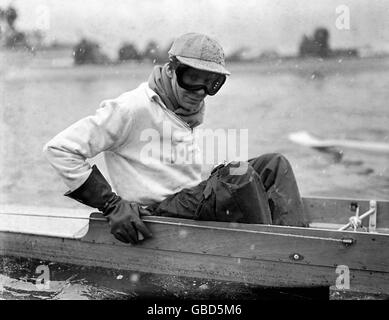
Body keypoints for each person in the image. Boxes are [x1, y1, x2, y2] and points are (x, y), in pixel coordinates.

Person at [43, 33, 308, 245]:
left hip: (190, 198)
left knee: (274, 165)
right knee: (239, 176)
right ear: (171, 70)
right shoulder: (132, 108)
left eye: (211, 83)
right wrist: (112, 205)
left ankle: (300, 247)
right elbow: (60, 149)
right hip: (157, 213)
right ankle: (275, 254)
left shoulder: (185, 109)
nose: (200, 92)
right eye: (192, 78)